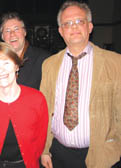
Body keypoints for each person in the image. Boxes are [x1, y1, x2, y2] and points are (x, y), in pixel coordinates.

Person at [40, 1, 121, 168]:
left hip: (102, 155)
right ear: (61, 31)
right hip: (59, 155)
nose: (74, 27)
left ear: (90, 26)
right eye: (67, 23)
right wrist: (44, 149)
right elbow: (45, 111)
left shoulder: (115, 63)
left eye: (79, 21)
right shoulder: (49, 65)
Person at [0, 42, 49, 168]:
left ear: (16, 65)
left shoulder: (37, 99)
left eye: (6, 63)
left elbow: (41, 137)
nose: (0, 70)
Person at [0, 12, 50, 90]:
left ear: (25, 32)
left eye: (16, 29)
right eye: (7, 31)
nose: (12, 34)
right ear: (2, 37)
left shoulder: (44, 59)